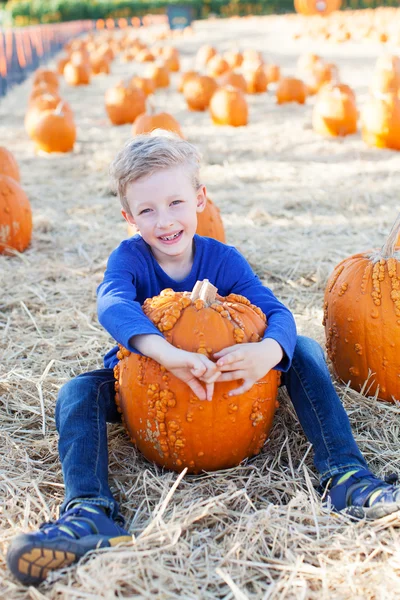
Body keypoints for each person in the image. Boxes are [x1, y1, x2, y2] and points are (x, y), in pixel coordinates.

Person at [7, 132, 400, 586]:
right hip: (148, 389)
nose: (164, 220)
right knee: (77, 392)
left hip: (233, 387)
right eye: (147, 210)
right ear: (128, 217)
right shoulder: (129, 259)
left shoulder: (222, 259)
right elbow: (112, 304)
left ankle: (347, 476)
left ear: (199, 199)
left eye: (175, 202)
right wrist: (167, 354)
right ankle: (90, 511)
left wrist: (266, 353)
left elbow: (276, 313)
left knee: (305, 350)